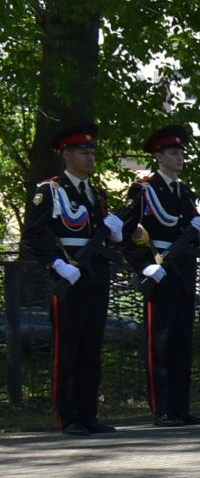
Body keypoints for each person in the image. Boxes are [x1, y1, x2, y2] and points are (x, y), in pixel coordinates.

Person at [24, 122, 121, 435]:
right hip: (69, 275)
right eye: (83, 151)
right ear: (66, 155)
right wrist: (55, 264)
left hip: (96, 275)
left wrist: (116, 237)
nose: (90, 157)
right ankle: (69, 417)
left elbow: (103, 237)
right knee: (68, 348)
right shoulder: (50, 191)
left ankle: (88, 414)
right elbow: (34, 236)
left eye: (92, 151)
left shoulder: (97, 194)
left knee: (91, 348)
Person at [122, 124, 200, 427]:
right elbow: (125, 232)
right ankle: (162, 410)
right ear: (158, 155)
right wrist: (143, 265)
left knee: (181, 344)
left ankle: (180, 408)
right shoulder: (144, 189)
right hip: (159, 270)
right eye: (173, 152)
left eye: (182, 152)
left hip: (183, 271)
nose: (180, 157)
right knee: (159, 344)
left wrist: (199, 235)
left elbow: (188, 233)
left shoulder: (184, 192)